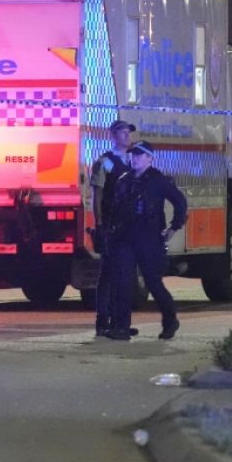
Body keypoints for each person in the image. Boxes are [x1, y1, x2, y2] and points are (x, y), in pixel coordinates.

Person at [104, 140, 187, 341]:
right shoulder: (124, 179)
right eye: (133, 155)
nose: (136, 158)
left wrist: (174, 227)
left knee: (153, 282)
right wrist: (110, 233)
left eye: (141, 155)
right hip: (125, 238)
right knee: (123, 282)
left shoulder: (158, 180)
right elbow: (113, 208)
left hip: (149, 239)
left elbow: (180, 202)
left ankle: (170, 320)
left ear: (150, 158)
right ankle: (122, 327)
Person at [89, 119, 136, 338]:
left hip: (127, 225)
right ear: (113, 136)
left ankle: (119, 321)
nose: (127, 136)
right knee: (108, 274)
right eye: (123, 132)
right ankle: (103, 320)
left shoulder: (132, 161)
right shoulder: (105, 162)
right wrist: (99, 224)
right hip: (109, 224)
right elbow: (97, 195)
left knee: (124, 273)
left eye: (129, 132)